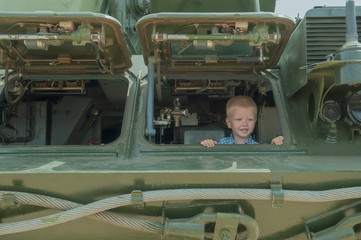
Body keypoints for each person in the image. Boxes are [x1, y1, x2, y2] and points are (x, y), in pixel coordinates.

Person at [201, 96, 284, 147]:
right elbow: (210, 164)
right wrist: (208, 144)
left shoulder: (258, 147)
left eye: (250, 120)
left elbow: (270, 158)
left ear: (255, 122)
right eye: (239, 119)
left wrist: (275, 143)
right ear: (229, 123)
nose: (244, 124)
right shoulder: (222, 144)